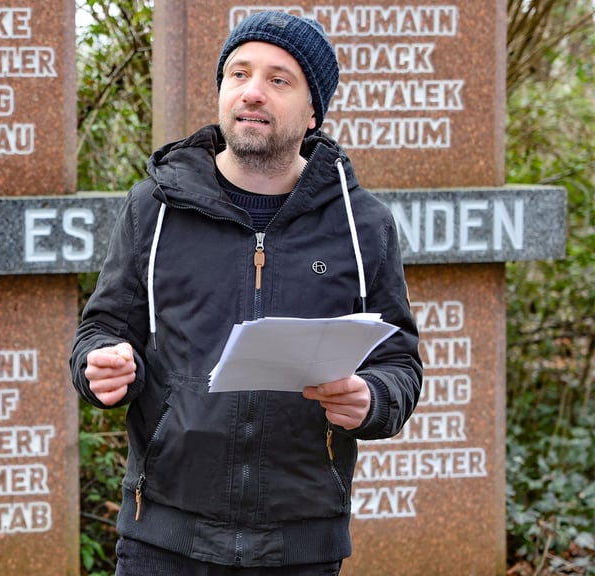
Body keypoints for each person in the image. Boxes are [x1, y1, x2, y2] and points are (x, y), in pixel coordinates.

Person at [69, 10, 424, 576]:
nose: (252, 93)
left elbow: (399, 364)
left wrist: (372, 399)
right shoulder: (154, 208)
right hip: (163, 539)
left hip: (300, 546)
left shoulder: (363, 225)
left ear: (313, 112)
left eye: (278, 80)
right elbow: (101, 332)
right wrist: (103, 364)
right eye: (238, 74)